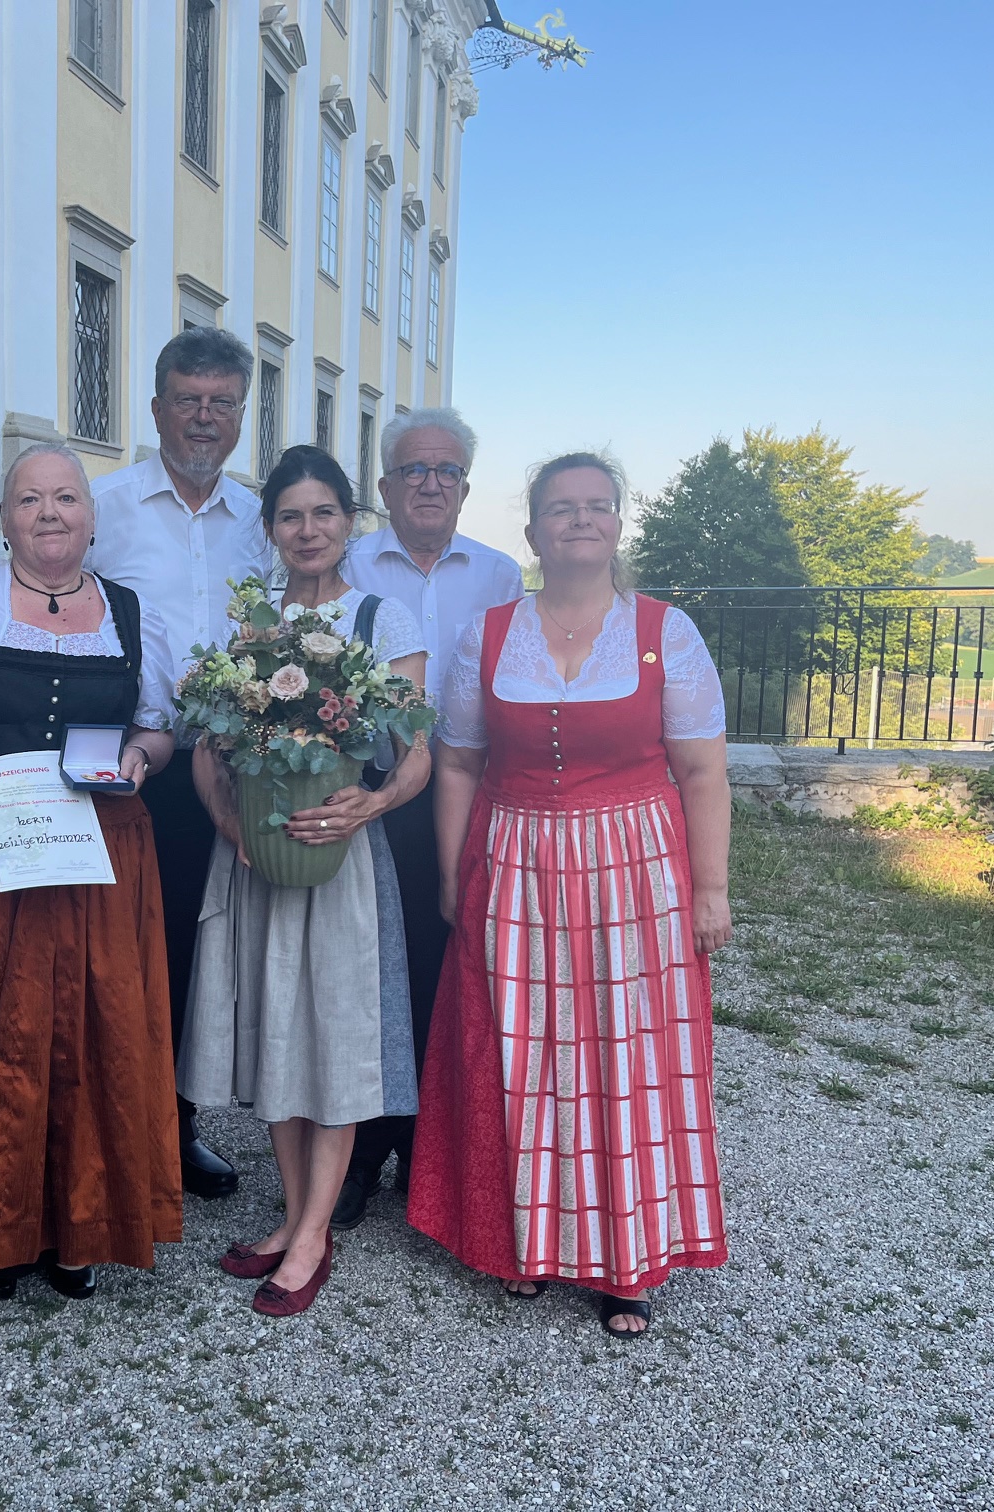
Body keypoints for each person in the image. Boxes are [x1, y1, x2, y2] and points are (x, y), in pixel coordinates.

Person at [407, 452, 734, 1339]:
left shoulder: (668, 631)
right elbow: (459, 763)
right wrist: (451, 875)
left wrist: (711, 890)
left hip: (636, 867)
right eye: (561, 508)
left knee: (626, 1059)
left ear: (618, 523)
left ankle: (628, 1259)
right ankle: (529, 1243)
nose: (580, 520)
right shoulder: (491, 632)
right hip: (514, 861)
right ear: (534, 531)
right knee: (527, 1053)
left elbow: (703, 771)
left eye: (596, 506)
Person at [0, 444, 181, 1300]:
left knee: (97, 1036)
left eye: (65, 498)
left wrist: (138, 756)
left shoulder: (133, 613)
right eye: (30, 499)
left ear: (92, 517)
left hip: (101, 852)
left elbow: (159, 727)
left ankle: (80, 1225)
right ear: (5, 516)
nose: (49, 514)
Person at [180, 446, 430, 1317]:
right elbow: (210, 754)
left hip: (340, 862)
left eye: (324, 513)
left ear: (349, 521)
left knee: (337, 1036)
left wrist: (367, 806)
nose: (308, 529)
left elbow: (417, 757)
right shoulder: (246, 628)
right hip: (259, 859)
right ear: (271, 529)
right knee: (277, 1035)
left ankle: (317, 1233)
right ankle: (293, 1216)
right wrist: (228, 826)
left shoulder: (381, 621)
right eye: (291, 515)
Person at [88, 328, 274, 1200]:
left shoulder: (260, 524)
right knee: (128, 950)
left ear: (242, 414)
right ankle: (117, 1123)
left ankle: (179, 1120)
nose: (205, 417)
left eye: (222, 403)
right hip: (134, 765)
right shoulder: (105, 507)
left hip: (234, 764)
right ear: (156, 405)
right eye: (189, 400)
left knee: (209, 954)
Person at [335, 407, 525, 1228]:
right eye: (414, 469)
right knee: (370, 971)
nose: (430, 483)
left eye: (446, 471)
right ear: (384, 485)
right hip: (370, 790)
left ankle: (429, 1148)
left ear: (465, 488)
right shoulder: (348, 562)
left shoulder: (499, 575)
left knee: (446, 969)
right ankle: (358, 1149)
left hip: (468, 799)